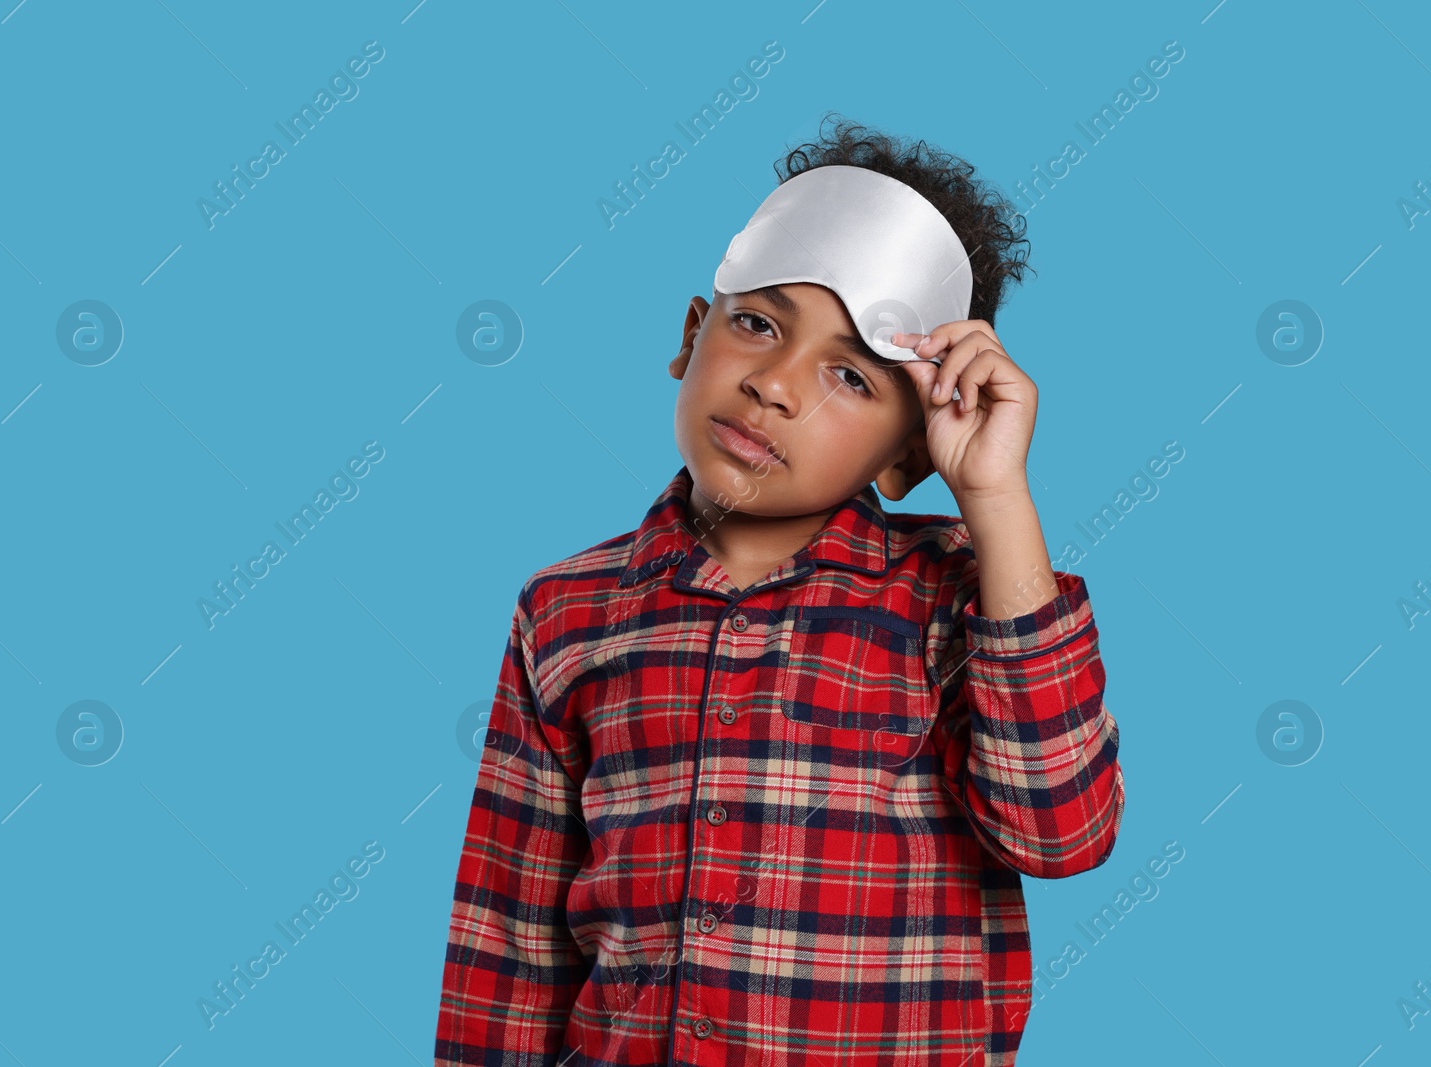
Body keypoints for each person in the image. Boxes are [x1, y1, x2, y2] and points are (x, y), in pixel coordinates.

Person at [434, 113, 1125, 1066]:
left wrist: (997, 496)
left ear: (910, 454)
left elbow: (1063, 832)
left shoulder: (962, 605)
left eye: (850, 374)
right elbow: (507, 937)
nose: (777, 385)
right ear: (690, 334)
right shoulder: (565, 612)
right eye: (757, 324)